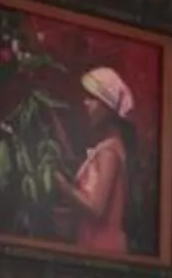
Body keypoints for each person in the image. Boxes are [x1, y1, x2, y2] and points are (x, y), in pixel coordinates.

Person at [59, 65, 141, 256]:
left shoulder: (109, 152)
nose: (86, 103)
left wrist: (63, 187)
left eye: (93, 98)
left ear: (108, 107)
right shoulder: (105, 148)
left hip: (104, 247)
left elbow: (97, 208)